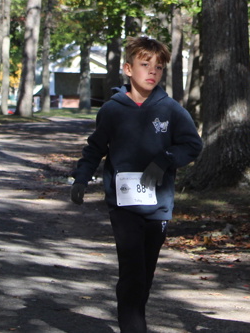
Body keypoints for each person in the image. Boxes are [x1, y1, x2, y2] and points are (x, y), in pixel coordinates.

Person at [69, 35, 202, 333]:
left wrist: (164, 160)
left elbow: (193, 145)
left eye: (158, 67)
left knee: (145, 274)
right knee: (131, 273)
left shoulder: (171, 110)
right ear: (128, 69)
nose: (152, 71)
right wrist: (81, 178)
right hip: (123, 204)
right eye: (145, 65)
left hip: (158, 205)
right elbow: (95, 148)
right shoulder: (112, 110)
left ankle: (134, 317)